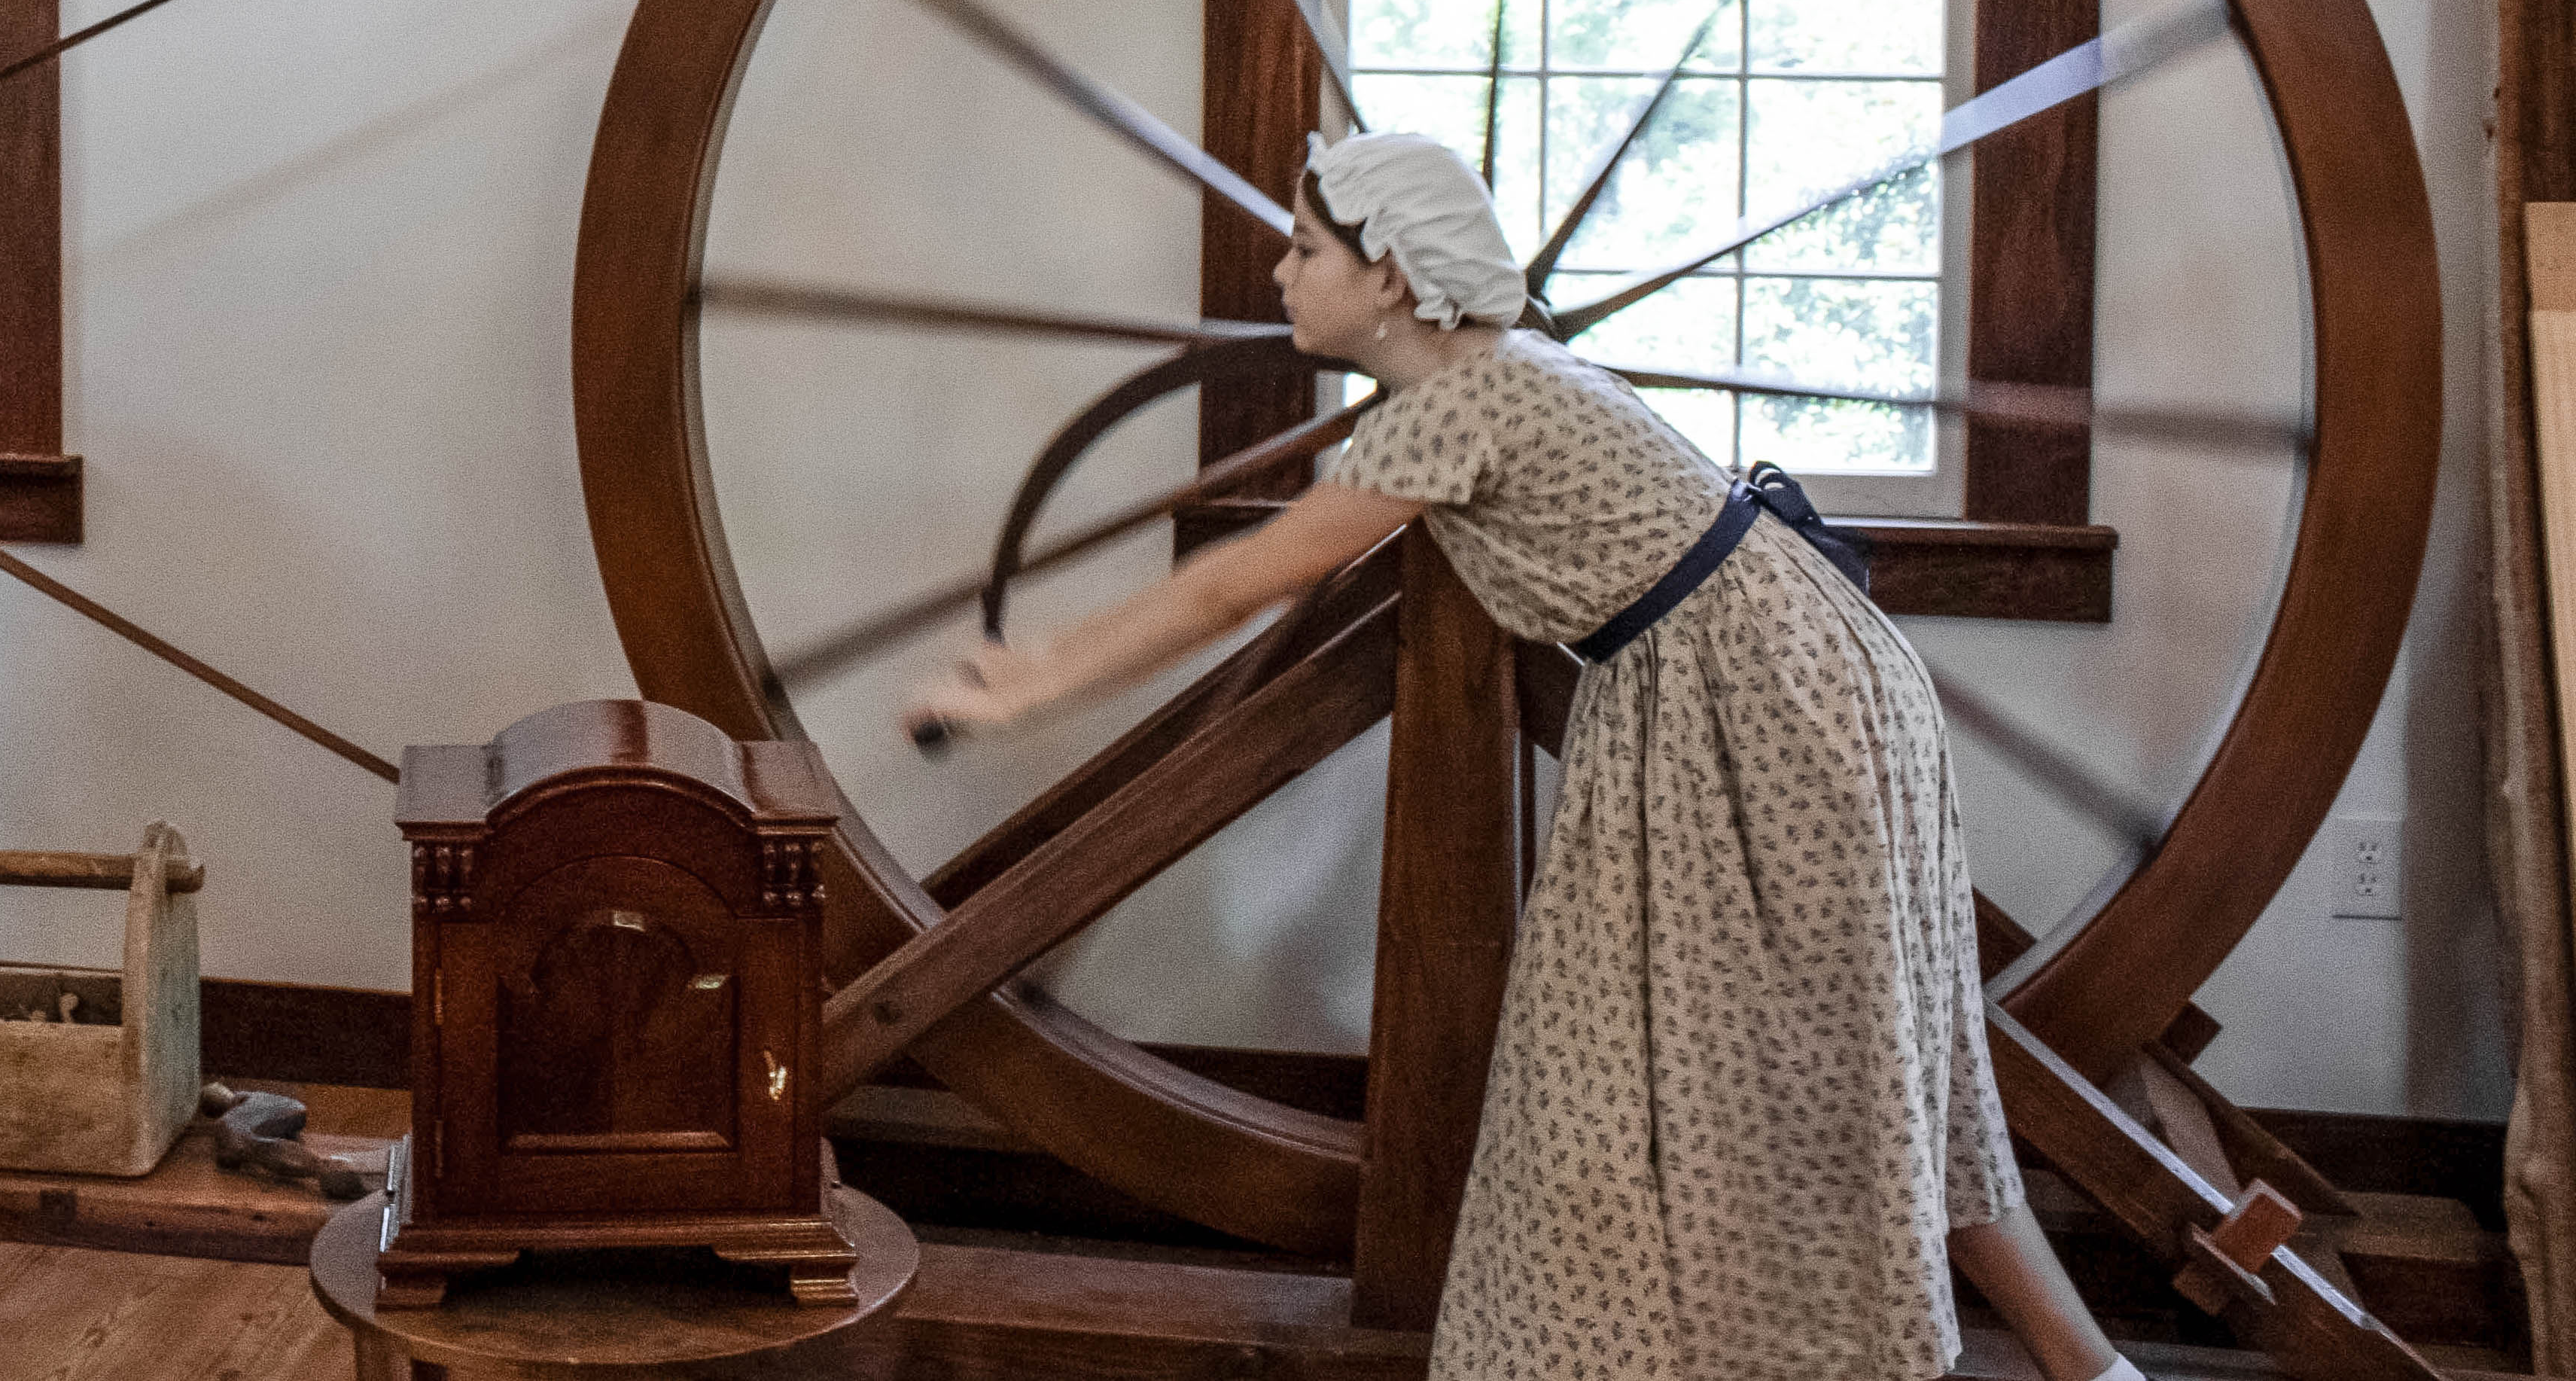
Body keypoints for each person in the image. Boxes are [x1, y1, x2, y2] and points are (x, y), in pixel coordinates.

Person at [904, 130, 2135, 1381]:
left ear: (1387, 275)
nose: (1277, 274)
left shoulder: (1457, 406)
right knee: (1877, 1057)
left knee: (1758, 1079)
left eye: (1302, 248)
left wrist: (1039, 677)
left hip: (1758, 714)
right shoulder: (1516, 374)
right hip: (1804, 688)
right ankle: (2090, 1370)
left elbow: (1238, 586)